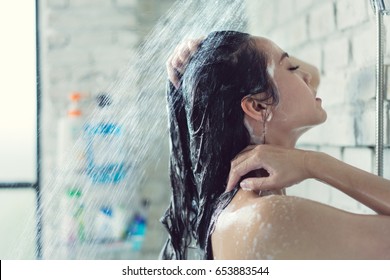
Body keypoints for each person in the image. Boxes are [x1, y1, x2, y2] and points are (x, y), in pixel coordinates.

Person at [160, 31, 390, 260]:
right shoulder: (267, 217)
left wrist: (205, 61)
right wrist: (312, 163)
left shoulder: (243, 205)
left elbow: (309, 77)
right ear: (258, 107)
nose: (307, 75)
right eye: (291, 68)